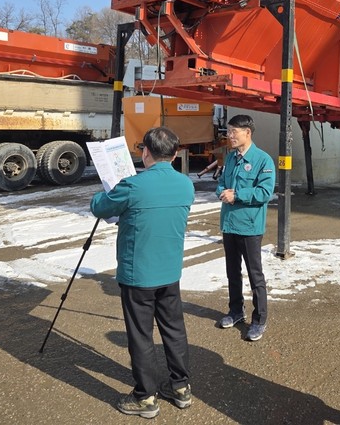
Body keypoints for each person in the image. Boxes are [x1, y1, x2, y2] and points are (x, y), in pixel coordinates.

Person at [90, 126, 195, 419]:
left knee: (141, 335)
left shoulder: (133, 186)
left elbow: (100, 206)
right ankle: (181, 387)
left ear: (145, 152)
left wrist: (108, 189)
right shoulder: (186, 185)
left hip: (139, 274)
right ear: (175, 154)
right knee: (174, 329)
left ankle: (145, 397)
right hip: (170, 270)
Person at [216, 114, 276, 341]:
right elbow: (222, 183)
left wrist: (237, 195)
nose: (230, 135)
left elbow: (264, 193)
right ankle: (235, 311)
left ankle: (259, 319)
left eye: (234, 131)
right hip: (229, 224)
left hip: (249, 227)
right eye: (229, 131)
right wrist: (222, 192)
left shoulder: (263, 160)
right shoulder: (231, 158)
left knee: (255, 275)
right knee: (232, 272)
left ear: (247, 132)